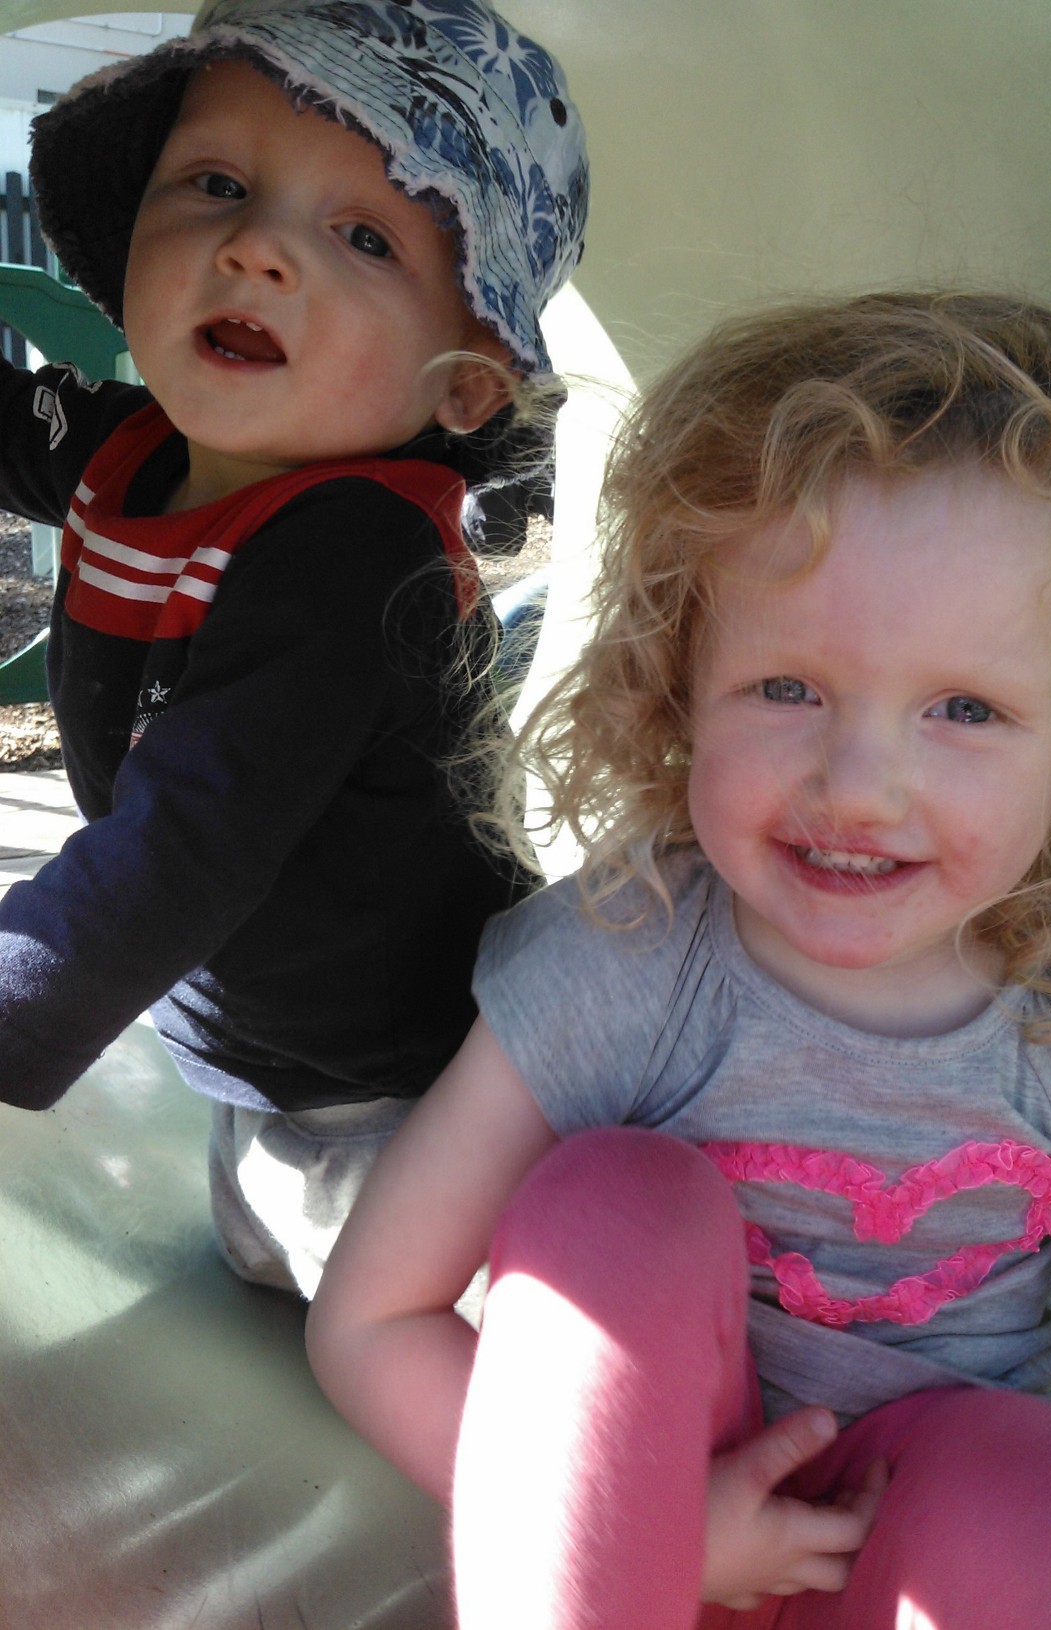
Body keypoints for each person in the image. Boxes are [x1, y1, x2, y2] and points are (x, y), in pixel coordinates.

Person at [307, 291, 1051, 1629]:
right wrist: (656, 1537)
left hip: (926, 1561)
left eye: (965, 709)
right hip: (623, 1549)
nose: (858, 784)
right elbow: (373, 1319)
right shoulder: (625, 957)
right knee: (612, 1207)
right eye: (787, 687)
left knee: (1046, 1493)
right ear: (679, 681)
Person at [0, 0, 588, 1297]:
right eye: (217, 184)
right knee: (262, 1281)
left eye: (365, 236)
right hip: (262, 1052)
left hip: (401, 1092)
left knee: (411, 1342)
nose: (257, 248)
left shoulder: (353, 558)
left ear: (465, 379)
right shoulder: (128, 450)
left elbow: (181, 846)